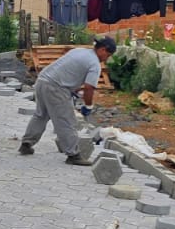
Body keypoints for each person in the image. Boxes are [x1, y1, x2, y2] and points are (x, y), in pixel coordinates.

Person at [17, 36, 116, 165]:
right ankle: (73, 155)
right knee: (66, 121)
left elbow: (68, 70)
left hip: (43, 81)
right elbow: (89, 88)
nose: (106, 58)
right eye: (108, 55)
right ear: (103, 49)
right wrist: (88, 105)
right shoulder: (94, 64)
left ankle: (26, 144)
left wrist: (72, 88)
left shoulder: (79, 51)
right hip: (56, 87)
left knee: (40, 115)